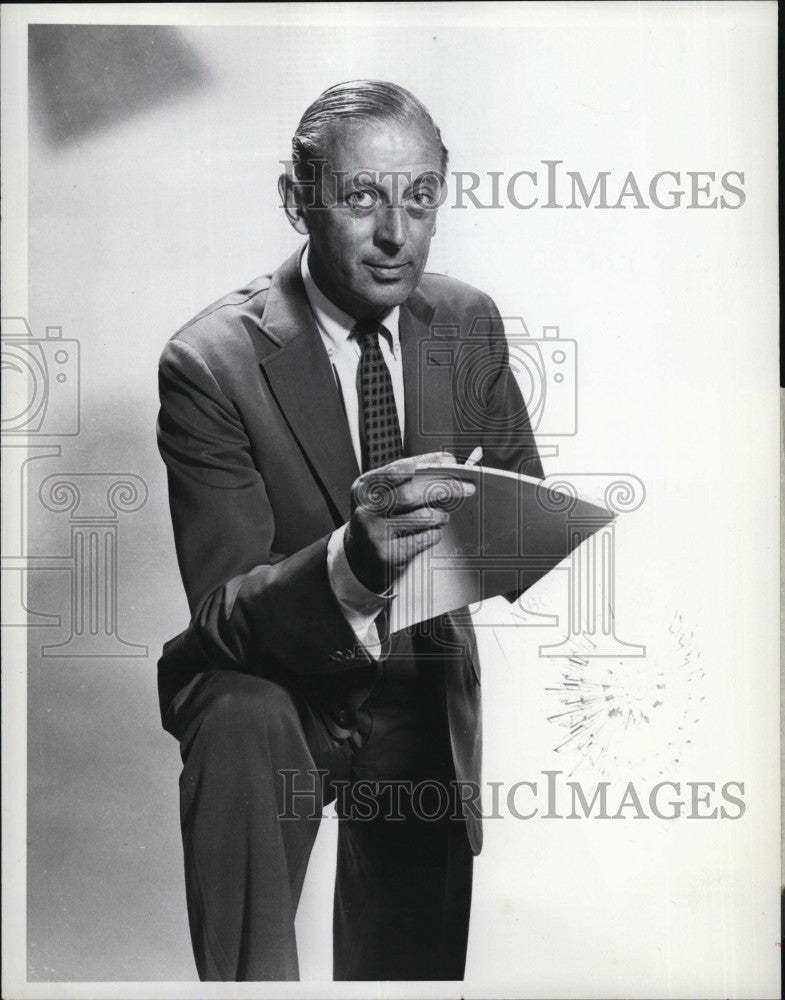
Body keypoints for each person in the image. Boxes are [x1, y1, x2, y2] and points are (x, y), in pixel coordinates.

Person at [156, 79, 543, 982]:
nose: (394, 234)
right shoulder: (209, 361)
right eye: (362, 197)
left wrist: (520, 532)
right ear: (297, 201)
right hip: (270, 683)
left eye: (419, 199)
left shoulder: (467, 321)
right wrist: (352, 562)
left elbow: (517, 504)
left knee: (408, 967)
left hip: (413, 674)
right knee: (240, 715)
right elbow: (220, 613)